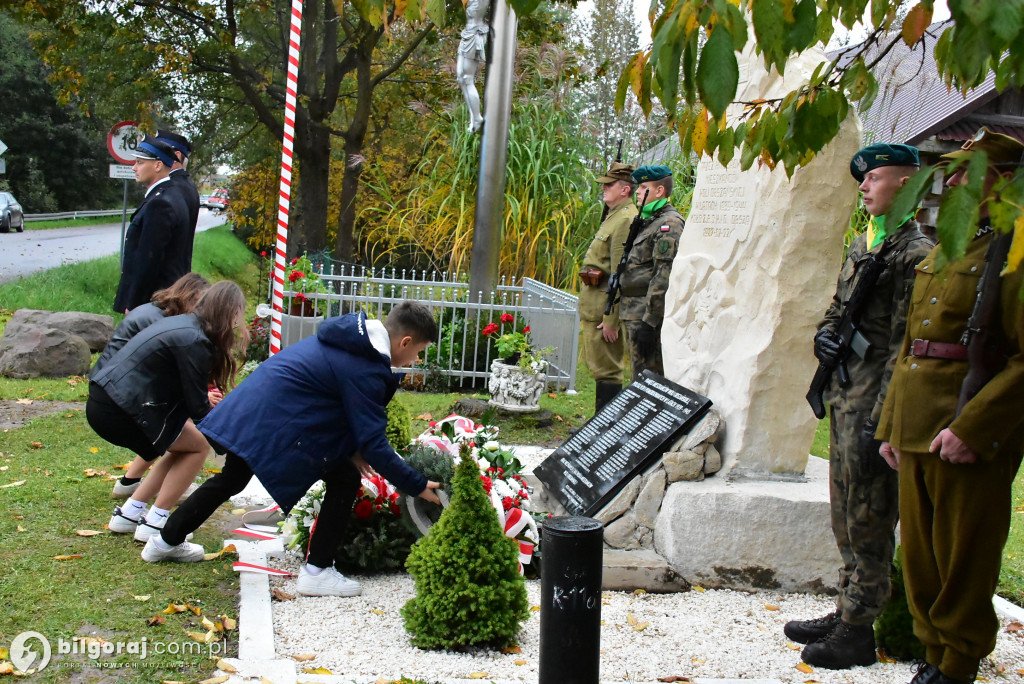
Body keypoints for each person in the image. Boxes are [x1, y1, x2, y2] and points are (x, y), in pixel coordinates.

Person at [140, 301, 444, 600]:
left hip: (261, 410)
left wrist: (353, 449)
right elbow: (374, 443)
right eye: (418, 352)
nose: (415, 359)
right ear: (405, 341)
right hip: (275, 419)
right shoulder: (364, 364)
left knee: (232, 478)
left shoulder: (355, 339)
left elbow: (338, 404)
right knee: (344, 479)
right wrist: (416, 485)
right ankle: (317, 571)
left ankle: (165, 541)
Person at [877, 127, 1024, 684]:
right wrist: (891, 424)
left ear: (1004, 181)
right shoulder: (952, 245)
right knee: (920, 557)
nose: (954, 180)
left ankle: (959, 660)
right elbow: (911, 343)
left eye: (968, 171)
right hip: (916, 421)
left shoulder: (1014, 252)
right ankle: (933, 654)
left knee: (964, 555)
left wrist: (975, 427)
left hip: (966, 426)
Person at [784, 143, 933, 669]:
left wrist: (885, 416)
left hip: (874, 402)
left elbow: (906, 343)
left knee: (870, 515)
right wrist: (825, 339)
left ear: (906, 183)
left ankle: (858, 629)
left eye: (874, 178)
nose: (864, 187)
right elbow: (836, 308)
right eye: (863, 180)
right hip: (846, 393)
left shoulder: (914, 254)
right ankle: (848, 606)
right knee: (845, 512)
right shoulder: (866, 244)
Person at [88, 281, 247, 542]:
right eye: (238, 314)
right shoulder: (194, 340)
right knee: (198, 447)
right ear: (228, 311)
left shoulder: (185, 324)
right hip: (117, 409)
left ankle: (129, 514)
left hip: (106, 400)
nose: (238, 322)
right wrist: (235, 449)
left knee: (185, 444)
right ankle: (156, 521)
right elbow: (199, 409)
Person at [91, 272, 213, 499]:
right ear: (190, 296)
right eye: (201, 303)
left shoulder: (157, 311)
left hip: (112, 386)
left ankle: (131, 481)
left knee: (174, 424)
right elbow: (178, 370)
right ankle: (170, 487)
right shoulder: (166, 323)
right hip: (119, 393)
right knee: (179, 429)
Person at [113, 134, 193, 314]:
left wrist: (134, 304)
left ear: (158, 165)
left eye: (140, 163)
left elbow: (149, 259)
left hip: (153, 302)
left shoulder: (161, 203)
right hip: (161, 299)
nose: (134, 168)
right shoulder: (170, 194)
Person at [579, 161, 637, 412]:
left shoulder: (625, 218)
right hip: (595, 304)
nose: (604, 190)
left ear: (625, 189)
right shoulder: (614, 216)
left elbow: (619, 271)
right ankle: (598, 426)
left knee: (609, 371)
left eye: (609, 185)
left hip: (603, 309)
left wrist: (611, 318)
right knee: (600, 369)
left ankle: (604, 429)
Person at [618, 164, 684, 379]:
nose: (637, 191)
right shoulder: (649, 221)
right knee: (639, 375)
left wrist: (650, 321)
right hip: (633, 310)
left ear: (659, 191)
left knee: (649, 379)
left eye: (643, 186)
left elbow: (662, 275)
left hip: (645, 315)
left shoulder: (669, 224)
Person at [156, 129, 200, 264]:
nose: (154, 157)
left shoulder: (172, 188)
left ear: (176, 155)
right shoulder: (186, 186)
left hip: (166, 280)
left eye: (159, 152)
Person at [456, 0, 489, 134]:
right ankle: (473, 116)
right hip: (467, 34)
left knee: (467, 78)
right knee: (460, 77)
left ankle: (477, 118)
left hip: (475, 34)